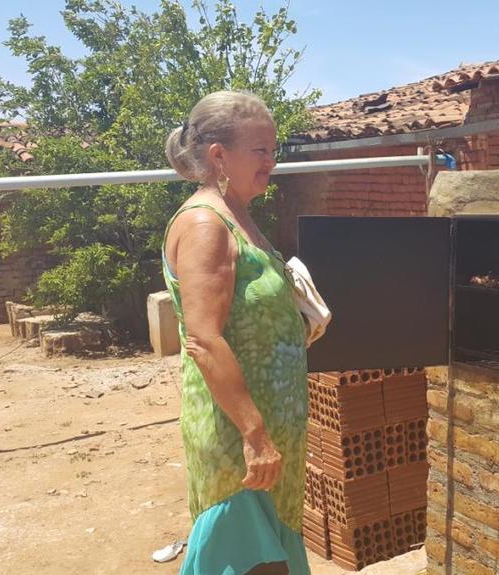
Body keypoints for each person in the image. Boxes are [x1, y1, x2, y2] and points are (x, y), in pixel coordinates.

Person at [162, 90, 309, 575]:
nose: (272, 161)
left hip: (266, 435)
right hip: (238, 440)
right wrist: (256, 434)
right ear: (218, 156)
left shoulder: (239, 216)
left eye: (273, 149)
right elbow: (204, 339)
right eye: (260, 151)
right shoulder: (207, 224)